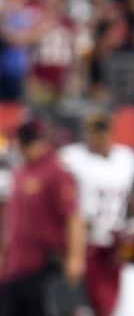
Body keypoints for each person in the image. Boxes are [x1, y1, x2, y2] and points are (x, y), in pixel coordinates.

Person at [0, 117, 86, 316]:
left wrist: (75, 258)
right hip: (15, 267)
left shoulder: (56, 172)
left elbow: (73, 218)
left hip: (44, 266)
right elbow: (11, 221)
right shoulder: (20, 173)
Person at [60, 111, 134, 316]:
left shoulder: (127, 159)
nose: (96, 137)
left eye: (101, 131)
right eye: (92, 132)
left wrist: (133, 224)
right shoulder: (71, 158)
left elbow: (128, 198)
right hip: (86, 240)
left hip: (115, 242)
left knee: (114, 304)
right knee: (86, 304)